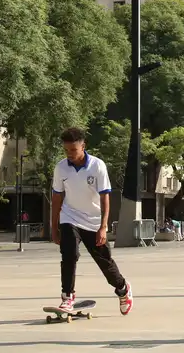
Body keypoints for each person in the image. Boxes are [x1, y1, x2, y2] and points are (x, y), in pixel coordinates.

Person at [51, 127, 133, 316]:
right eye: (66, 151)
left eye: (73, 150)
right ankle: (67, 297)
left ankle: (123, 289)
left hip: (94, 221)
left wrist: (103, 226)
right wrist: (53, 226)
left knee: (104, 262)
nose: (69, 154)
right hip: (69, 216)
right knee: (69, 254)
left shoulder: (97, 166)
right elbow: (56, 198)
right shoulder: (61, 168)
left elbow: (105, 198)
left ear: (83, 146)